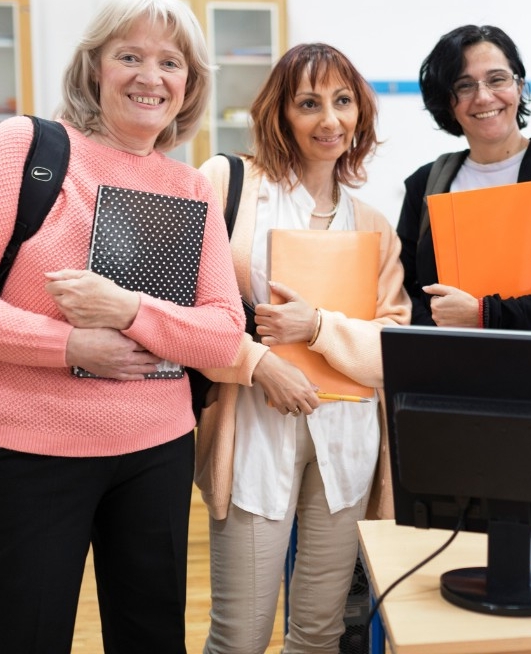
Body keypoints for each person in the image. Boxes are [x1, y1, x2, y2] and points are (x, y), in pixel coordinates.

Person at [0, 0, 244, 653]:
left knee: (151, 639)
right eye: (130, 56)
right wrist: (70, 345)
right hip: (30, 450)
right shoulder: (26, 148)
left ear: (189, 84)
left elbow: (222, 334)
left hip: (157, 450)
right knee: (18, 636)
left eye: (171, 63)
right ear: (95, 66)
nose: (151, 77)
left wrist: (130, 311)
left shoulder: (191, 187)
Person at [194, 43, 410, 654]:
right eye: (309, 103)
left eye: (343, 101)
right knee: (238, 637)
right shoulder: (227, 185)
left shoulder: (372, 224)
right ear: (280, 113)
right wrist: (258, 364)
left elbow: (392, 349)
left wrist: (317, 327)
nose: (330, 120)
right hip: (254, 429)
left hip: (347, 439)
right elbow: (188, 314)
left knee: (319, 635)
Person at [396, 24, 531, 331]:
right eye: (464, 86)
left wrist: (484, 314)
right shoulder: (425, 184)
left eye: (497, 79)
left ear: (519, 86)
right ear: (447, 101)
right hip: (452, 360)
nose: (484, 97)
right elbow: (402, 295)